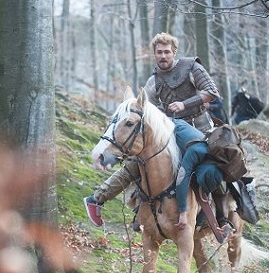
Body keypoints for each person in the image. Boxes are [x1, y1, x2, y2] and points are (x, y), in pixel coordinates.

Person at [84, 32, 229, 229]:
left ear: (174, 52)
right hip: (171, 133)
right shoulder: (153, 82)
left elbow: (212, 93)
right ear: (154, 54)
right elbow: (145, 114)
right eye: (159, 52)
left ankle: (222, 218)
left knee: (217, 165)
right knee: (139, 162)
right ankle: (104, 200)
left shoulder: (192, 67)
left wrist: (184, 104)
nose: (163, 56)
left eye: (167, 52)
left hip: (202, 130)